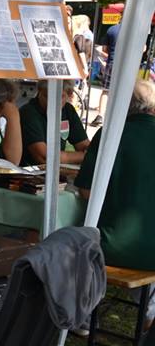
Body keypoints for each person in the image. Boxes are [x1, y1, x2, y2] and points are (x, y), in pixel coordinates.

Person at [75, 79, 155, 324]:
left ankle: (82, 313)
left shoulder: (110, 133)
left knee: (69, 239)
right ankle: (150, 313)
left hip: (113, 247)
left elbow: (86, 192)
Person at [19, 80, 90, 166]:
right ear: (39, 92)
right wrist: (84, 156)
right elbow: (44, 157)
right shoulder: (28, 112)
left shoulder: (68, 110)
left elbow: (84, 146)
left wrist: (88, 152)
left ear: (69, 95)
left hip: (55, 169)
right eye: (47, 96)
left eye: (59, 97)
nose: (52, 102)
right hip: (29, 170)